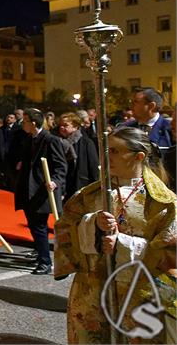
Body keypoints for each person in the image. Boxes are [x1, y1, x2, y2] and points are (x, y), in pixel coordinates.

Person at [54, 127, 176, 343]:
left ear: (139, 156)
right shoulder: (89, 196)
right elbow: (65, 230)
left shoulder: (164, 204)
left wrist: (123, 244)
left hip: (139, 294)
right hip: (92, 291)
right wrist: (91, 225)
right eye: (105, 150)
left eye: (115, 151)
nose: (106, 157)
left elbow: (170, 251)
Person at [14, 108, 67, 274]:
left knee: (39, 226)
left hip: (41, 191)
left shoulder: (51, 140)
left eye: (25, 121)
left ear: (33, 123)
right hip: (29, 190)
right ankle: (41, 255)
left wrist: (55, 181)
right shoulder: (29, 139)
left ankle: (45, 261)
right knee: (34, 225)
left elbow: (61, 166)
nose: (23, 124)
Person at [57, 112, 100, 204]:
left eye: (65, 125)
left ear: (75, 126)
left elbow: (94, 167)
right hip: (63, 187)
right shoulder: (57, 142)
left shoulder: (86, 143)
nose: (61, 128)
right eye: (60, 125)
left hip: (80, 186)